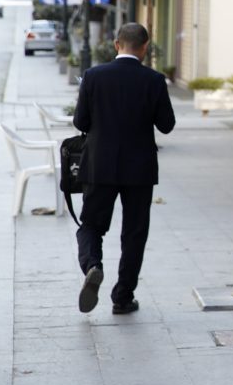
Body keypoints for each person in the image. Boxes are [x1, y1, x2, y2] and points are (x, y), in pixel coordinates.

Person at [74, 23, 176, 315]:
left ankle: (93, 265)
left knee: (91, 224)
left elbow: (80, 122)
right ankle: (123, 297)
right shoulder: (154, 80)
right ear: (145, 48)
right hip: (139, 169)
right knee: (134, 233)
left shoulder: (93, 77)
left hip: (99, 166)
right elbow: (166, 126)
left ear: (117, 44)